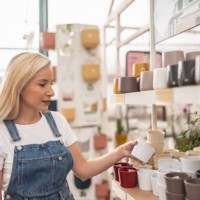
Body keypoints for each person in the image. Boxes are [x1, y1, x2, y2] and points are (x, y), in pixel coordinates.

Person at [0, 52, 138, 200]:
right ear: (19, 86)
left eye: (51, 84)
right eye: (42, 84)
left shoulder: (57, 121)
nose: (51, 92)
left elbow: (83, 170)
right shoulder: (3, 132)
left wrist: (120, 152)